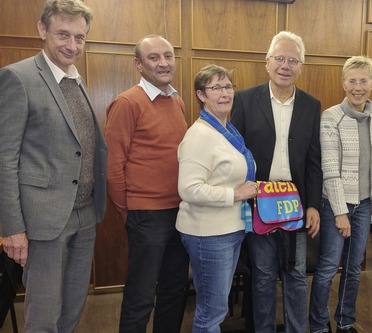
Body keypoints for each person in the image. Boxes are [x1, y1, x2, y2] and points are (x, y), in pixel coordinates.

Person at [0, 1, 106, 332]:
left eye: (80, 37)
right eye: (63, 34)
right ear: (42, 30)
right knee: (44, 316)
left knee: (72, 308)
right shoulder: (18, 77)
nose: (72, 45)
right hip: (43, 222)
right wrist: (13, 229)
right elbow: (4, 158)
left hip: (85, 214)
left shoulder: (77, 80)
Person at [230, 31, 323, 333]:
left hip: (295, 203)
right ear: (267, 63)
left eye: (293, 60)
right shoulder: (244, 100)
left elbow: (313, 160)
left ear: (301, 66)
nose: (286, 65)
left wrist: (313, 205)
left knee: (296, 274)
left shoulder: (311, 105)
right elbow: (236, 155)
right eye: (280, 58)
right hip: (259, 202)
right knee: (264, 274)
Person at [105, 35, 190, 333]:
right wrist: (128, 212)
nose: (163, 63)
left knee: (174, 290)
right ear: (138, 65)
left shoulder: (177, 100)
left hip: (180, 213)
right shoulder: (127, 102)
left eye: (168, 55)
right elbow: (113, 166)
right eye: (154, 57)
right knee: (141, 296)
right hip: (146, 215)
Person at [176, 64, 258, 333]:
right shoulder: (199, 135)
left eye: (228, 86)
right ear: (201, 95)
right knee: (211, 312)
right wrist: (235, 194)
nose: (225, 93)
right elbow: (188, 189)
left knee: (216, 308)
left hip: (229, 229)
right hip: (208, 234)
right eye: (216, 88)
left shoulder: (227, 131)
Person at [309, 56, 372, 333]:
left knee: (353, 268)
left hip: (364, 204)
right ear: (343, 84)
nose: (358, 87)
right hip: (335, 206)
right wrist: (340, 213)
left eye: (363, 81)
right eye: (352, 81)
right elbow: (330, 170)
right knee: (328, 268)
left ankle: (346, 321)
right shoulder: (331, 117)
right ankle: (318, 325)